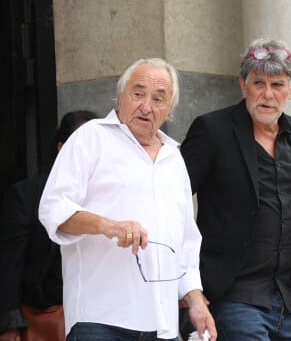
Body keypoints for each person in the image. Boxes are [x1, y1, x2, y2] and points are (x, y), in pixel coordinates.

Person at [38, 58, 216, 341]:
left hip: (163, 324)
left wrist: (195, 301)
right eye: (138, 93)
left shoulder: (174, 158)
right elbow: (53, 208)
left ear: (169, 110)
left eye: (159, 99)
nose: (147, 106)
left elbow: (185, 242)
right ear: (119, 96)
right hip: (100, 319)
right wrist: (108, 226)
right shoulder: (90, 138)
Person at [180, 38, 291, 340]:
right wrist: (187, 287)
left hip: (287, 300)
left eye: (277, 84)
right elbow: (173, 205)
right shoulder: (212, 130)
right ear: (242, 85)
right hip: (232, 294)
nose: (267, 94)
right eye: (258, 82)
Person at [0, 110, 97, 341]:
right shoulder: (26, 195)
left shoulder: (109, 196)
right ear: (61, 148)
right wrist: (9, 325)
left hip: (101, 314)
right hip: (47, 312)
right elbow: (10, 263)